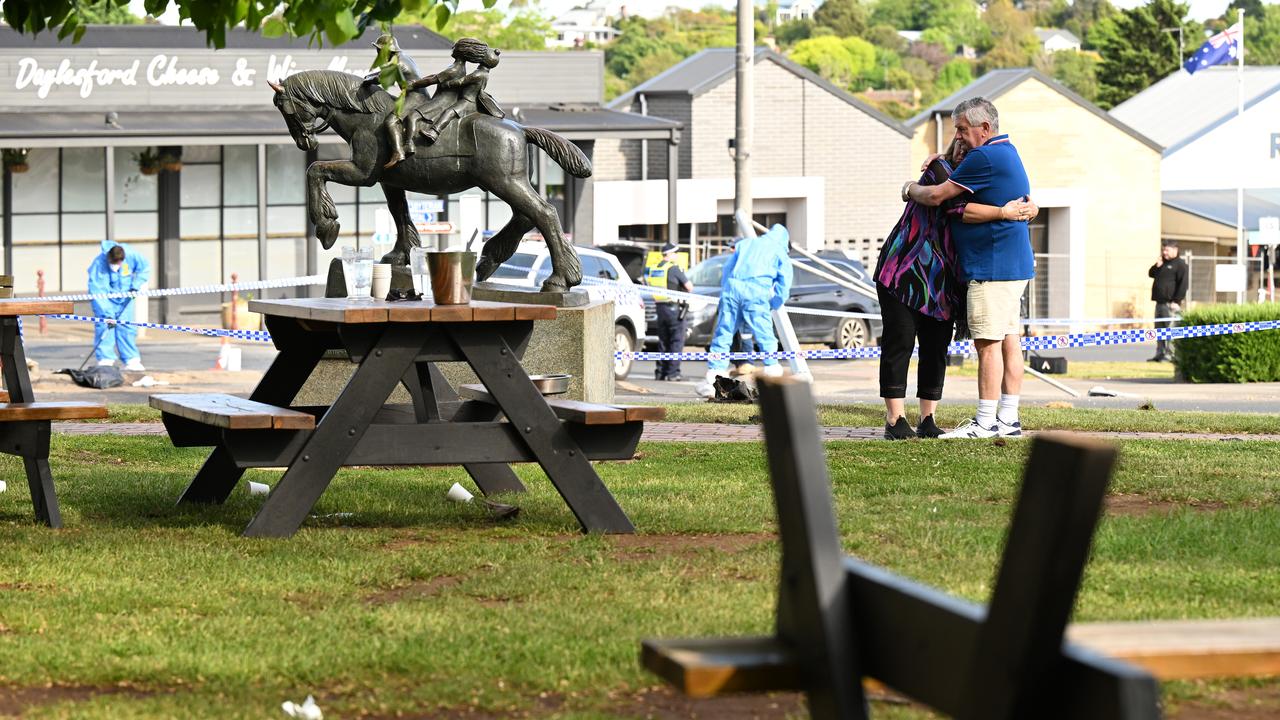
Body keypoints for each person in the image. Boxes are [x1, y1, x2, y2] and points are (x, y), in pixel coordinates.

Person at [878, 137, 1038, 440]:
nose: (967, 151)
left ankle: (928, 418)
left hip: (942, 278)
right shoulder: (942, 172)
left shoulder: (972, 174)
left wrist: (1029, 207)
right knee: (900, 342)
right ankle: (895, 418)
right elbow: (949, 202)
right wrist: (910, 187)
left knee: (936, 347)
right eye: (961, 142)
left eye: (972, 149)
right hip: (904, 272)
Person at [698, 224, 793, 395]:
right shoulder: (778, 250)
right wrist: (776, 301)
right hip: (756, 292)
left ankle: (714, 375)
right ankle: (772, 370)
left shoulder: (746, 243)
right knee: (764, 333)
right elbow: (785, 280)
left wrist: (727, 290)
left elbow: (727, 268)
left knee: (724, 333)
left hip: (732, 291)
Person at [87, 239, 151, 371]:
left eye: (119, 263)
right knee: (105, 327)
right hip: (105, 300)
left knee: (126, 327)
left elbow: (144, 268)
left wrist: (136, 285)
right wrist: (106, 312)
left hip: (125, 298)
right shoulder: (99, 263)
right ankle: (105, 359)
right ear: (108, 258)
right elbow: (97, 290)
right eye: (113, 263)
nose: (116, 266)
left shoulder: (131, 255)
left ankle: (131, 360)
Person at [646, 241, 693, 381]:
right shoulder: (674, 269)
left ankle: (660, 372)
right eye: (676, 253)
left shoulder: (654, 268)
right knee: (676, 341)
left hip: (660, 308)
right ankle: (673, 373)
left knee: (663, 341)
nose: (677, 256)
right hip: (674, 309)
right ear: (670, 254)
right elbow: (689, 287)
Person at [1148, 240, 1188, 362]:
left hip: (1170, 304)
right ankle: (1159, 353)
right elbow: (1151, 274)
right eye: (1163, 250)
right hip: (1159, 303)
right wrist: (1157, 266)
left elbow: (1183, 284)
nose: (1164, 252)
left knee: (1171, 330)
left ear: (1175, 250)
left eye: (1167, 250)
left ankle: (1170, 355)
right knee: (1159, 330)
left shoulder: (1180, 265)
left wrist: (1176, 301)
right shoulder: (1162, 263)